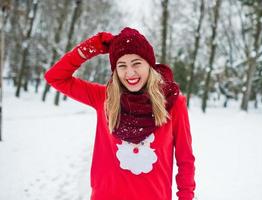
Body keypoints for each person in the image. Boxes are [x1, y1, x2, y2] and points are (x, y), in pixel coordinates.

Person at [44, 27, 196, 200]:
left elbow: (185, 160)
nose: (130, 73)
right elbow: (55, 77)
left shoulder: (173, 103)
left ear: (150, 65)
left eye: (137, 63)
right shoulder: (103, 98)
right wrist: (93, 46)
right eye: (122, 65)